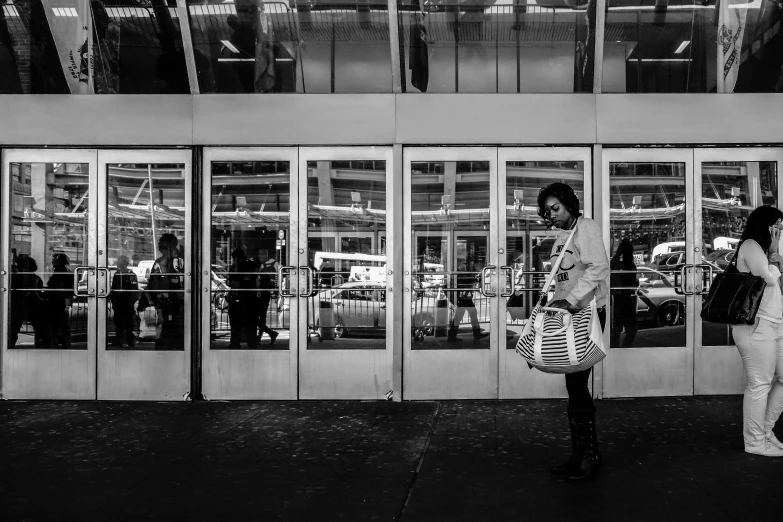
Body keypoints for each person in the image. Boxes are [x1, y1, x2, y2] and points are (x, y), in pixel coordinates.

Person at [538, 182, 610, 481]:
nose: (551, 215)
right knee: (573, 385)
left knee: (578, 383)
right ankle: (582, 453)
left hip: (587, 313)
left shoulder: (587, 228)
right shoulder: (561, 239)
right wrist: (555, 299)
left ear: (569, 203)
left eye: (556, 208)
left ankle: (589, 455)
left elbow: (599, 267)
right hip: (570, 315)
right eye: (547, 211)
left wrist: (570, 299)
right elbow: (564, 277)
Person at [730, 206, 783, 457]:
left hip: (775, 323)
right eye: (777, 226)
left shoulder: (764, 250)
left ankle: (765, 430)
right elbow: (768, 278)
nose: (780, 231)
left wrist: (776, 259)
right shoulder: (751, 246)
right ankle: (754, 441)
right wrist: (774, 255)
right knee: (759, 384)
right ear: (766, 224)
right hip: (755, 326)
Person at [143, 233, 185, 350]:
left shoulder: (178, 262)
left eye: (162, 247)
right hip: (167, 302)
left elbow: (153, 284)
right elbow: (152, 283)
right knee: (166, 332)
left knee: (171, 333)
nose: (161, 250)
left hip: (175, 302)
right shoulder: (162, 262)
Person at [9, 257, 45, 348]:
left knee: (14, 329)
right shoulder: (36, 278)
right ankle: (42, 343)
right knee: (39, 327)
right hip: (32, 306)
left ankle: (10, 345)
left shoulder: (14, 278)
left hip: (20, 306)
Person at [447, 264, 488, 342]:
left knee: (469, 315)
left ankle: (453, 335)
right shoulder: (463, 276)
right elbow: (470, 281)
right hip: (464, 298)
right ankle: (453, 336)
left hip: (464, 298)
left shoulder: (460, 275)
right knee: (462, 316)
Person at [610, 238, 639, 348]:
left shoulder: (616, 264)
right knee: (632, 328)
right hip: (626, 299)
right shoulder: (630, 265)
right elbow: (634, 283)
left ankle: (615, 349)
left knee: (617, 328)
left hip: (616, 299)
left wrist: (618, 253)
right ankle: (625, 349)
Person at [227, 248, 258, 349]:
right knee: (247, 322)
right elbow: (230, 281)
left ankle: (239, 342)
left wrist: (237, 283)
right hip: (245, 296)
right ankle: (248, 342)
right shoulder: (236, 267)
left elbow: (249, 280)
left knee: (240, 322)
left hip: (244, 296)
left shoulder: (247, 266)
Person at [47, 253, 75, 350]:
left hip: (57, 301)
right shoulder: (66, 271)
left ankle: (59, 344)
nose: (52, 262)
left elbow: (60, 287)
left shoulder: (60, 272)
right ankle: (65, 344)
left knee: (60, 324)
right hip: (60, 301)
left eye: (53, 260)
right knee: (63, 325)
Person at [110, 255, 139, 348]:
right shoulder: (117, 274)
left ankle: (130, 342)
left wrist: (131, 303)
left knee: (128, 323)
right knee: (118, 323)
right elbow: (113, 288)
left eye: (119, 261)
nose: (117, 263)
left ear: (123, 263)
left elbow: (134, 290)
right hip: (118, 303)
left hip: (127, 303)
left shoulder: (131, 274)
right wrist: (113, 300)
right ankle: (119, 341)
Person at [257, 255, 279, 345]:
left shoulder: (258, 276)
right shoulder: (264, 275)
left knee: (255, 318)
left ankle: (261, 336)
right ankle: (261, 336)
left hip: (260, 298)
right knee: (261, 317)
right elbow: (269, 286)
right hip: (265, 298)